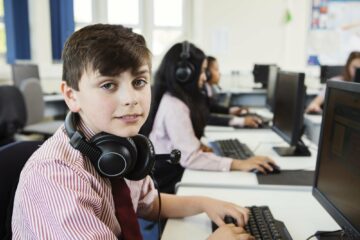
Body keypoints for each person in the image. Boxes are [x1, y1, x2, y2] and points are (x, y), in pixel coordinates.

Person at [11, 24, 254, 240]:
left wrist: (205, 203)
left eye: (139, 82)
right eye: (108, 85)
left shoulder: (123, 146)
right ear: (71, 96)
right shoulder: (57, 177)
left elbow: (147, 204)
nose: (131, 99)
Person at [142, 41, 277, 195]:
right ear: (184, 73)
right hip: (167, 180)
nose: (204, 77)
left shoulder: (177, 99)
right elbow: (191, 158)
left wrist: (196, 144)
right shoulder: (175, 105)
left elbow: (181, 144)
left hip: (173, 171)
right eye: (202, 70)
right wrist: (239, 164)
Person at [205, 56, 261, 128]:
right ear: (207, 73)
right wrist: (241, 121)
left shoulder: (209, 89)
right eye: (216, 69)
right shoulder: (201, 91)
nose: (220, 73)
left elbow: (212, 108)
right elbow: (206, 117)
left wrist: (231, 110)